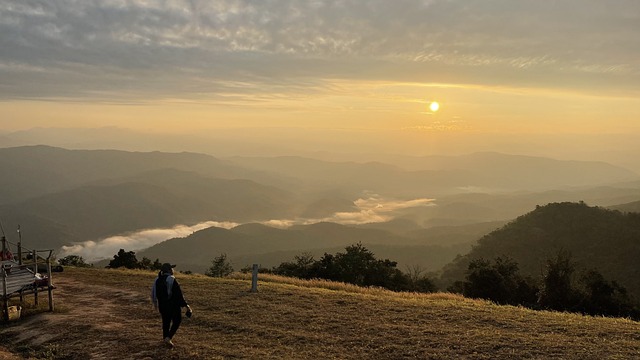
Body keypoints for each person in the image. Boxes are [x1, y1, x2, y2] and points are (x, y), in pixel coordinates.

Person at [151, 263, 192, 348]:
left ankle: (165, 339)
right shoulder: (172, 280)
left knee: (166, 322)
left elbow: (154, 294)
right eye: (172, 269)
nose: (173, 270)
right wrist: (187, 306)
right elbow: (179, 295)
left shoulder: (157, 280)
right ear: (169, 270)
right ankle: (168, 337)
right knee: (177, 320)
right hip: (173, 305)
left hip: (162, 305)